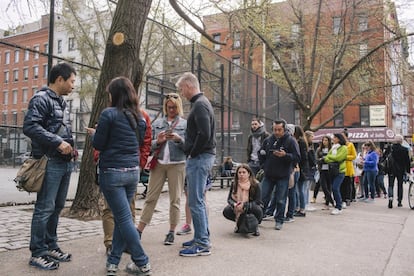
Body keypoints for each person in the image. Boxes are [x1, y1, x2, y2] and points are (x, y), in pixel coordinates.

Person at [86, 77, 151, 276]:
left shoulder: (108, 114)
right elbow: (139, 143)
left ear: (115, 94)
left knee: (123, 219)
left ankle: (142, 262)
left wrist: (94, 134)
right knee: (123, 219)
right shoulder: (139, 117)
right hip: (132, 172)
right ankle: (113, 261)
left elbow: (99, 144)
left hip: (112, 173)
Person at [23, 63, 76, 270]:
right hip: (49, 161)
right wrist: (57, 142)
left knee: (57, 207)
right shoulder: (41, 99)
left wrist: (70, 146)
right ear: (60, 79)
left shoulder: (61, 102)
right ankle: (37, 252)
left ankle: (50, 245)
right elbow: (30, 126)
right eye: (71, 81)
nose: (73, 85)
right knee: (44, 207)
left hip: (64, 162)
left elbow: (59, 129)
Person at [99, 109, 152, 256]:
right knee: (119, 208)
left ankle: (126, 247)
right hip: (126, 168)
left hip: (119, 168)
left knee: (124, 208)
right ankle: (113, 244)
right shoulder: (113, 114)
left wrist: (140, 163)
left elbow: (145, 141)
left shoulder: (110, 114)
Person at [137, 93, 187, 246]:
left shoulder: (185, 124)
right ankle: (139, 231)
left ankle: (171, 231)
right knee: (151, 197)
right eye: (168, 107)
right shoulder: (158, 122)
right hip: (158, 163)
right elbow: (149, 144)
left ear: (178, 108)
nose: (171, 110)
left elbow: (188, 147)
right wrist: (157, 141)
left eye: (174, 107)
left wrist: (179, 139)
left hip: (177, 164)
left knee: (175, 200)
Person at [176, 72, 216, 257]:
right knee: (197, 199)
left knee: (195, 201)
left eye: (182, 89)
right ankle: (201, 237)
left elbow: (205, 133)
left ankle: (202, 243)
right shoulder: (202, 103)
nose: (181, 93)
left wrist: (192, 152)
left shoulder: (200, 105)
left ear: (189, 86)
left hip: (200, 158)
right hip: (202, 156)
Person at [259, 119, 300, 230]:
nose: (276, 132)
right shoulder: (268, 140)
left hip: (283, 175)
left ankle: (279, 220)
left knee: (281, 199)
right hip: (269, 174)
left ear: (284, 129)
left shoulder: (291, 141)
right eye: (275, 129)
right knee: (263, 197)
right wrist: (264, 166)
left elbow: (297, 157)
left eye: (279, 130)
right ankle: (258, 217)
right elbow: (261, 153)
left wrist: (285, 155)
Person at [223, 164, 263, 236]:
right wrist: (234, 204)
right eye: (239, 172)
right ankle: (239, 224)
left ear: (249, 174)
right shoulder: (234, 183)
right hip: (237, 205)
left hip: (251, 206)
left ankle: (255, 226)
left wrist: (244, 205)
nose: (241, 174)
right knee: (227, 210)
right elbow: (229, 199)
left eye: (244, 172)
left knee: (257, 209)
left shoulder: (255, 184)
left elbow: (258, 200)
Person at [324, 133, 347, 215]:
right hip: (332, 170)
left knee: (335, 188)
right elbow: (326, 158)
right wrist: (331, 159)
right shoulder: (333, 147)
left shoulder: (344, 148)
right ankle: (338, 205)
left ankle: (338, 206)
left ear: (339, 139)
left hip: (340, 171)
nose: (333, 139)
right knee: (334, 188)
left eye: (335, 137)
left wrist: (330, 158)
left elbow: (339, 158)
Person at [387, 134, 411, 208]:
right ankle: (399, 201)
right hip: (400, 170)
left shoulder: (390, 148)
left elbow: (385, 158)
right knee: (400, 185)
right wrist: (408, 171)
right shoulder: (404, 149)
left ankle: (390, 198)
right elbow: (407, 161)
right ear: (401, 141)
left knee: (391, 185)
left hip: (391, 169)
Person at [313, 135, 333, 207]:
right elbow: (316, 159)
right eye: (323, 140)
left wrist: (326, 160)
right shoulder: (319, 149)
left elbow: (333, 159)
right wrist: (322, 160)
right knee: (324, 187)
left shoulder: (332, 149)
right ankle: (331, 200)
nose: (324, 142)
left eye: (326, 140)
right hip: (322, 169)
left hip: (330, 170)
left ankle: (327, 203)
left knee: (329, 186)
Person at [340, 130, 357, 208]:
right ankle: (341, 198)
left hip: (348, 167)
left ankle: (348, 198)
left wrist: (345, 157)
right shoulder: (339, 145)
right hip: (340, 167)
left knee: (348, 184)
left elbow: (354, 156)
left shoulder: (350, 145)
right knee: (341, 184)